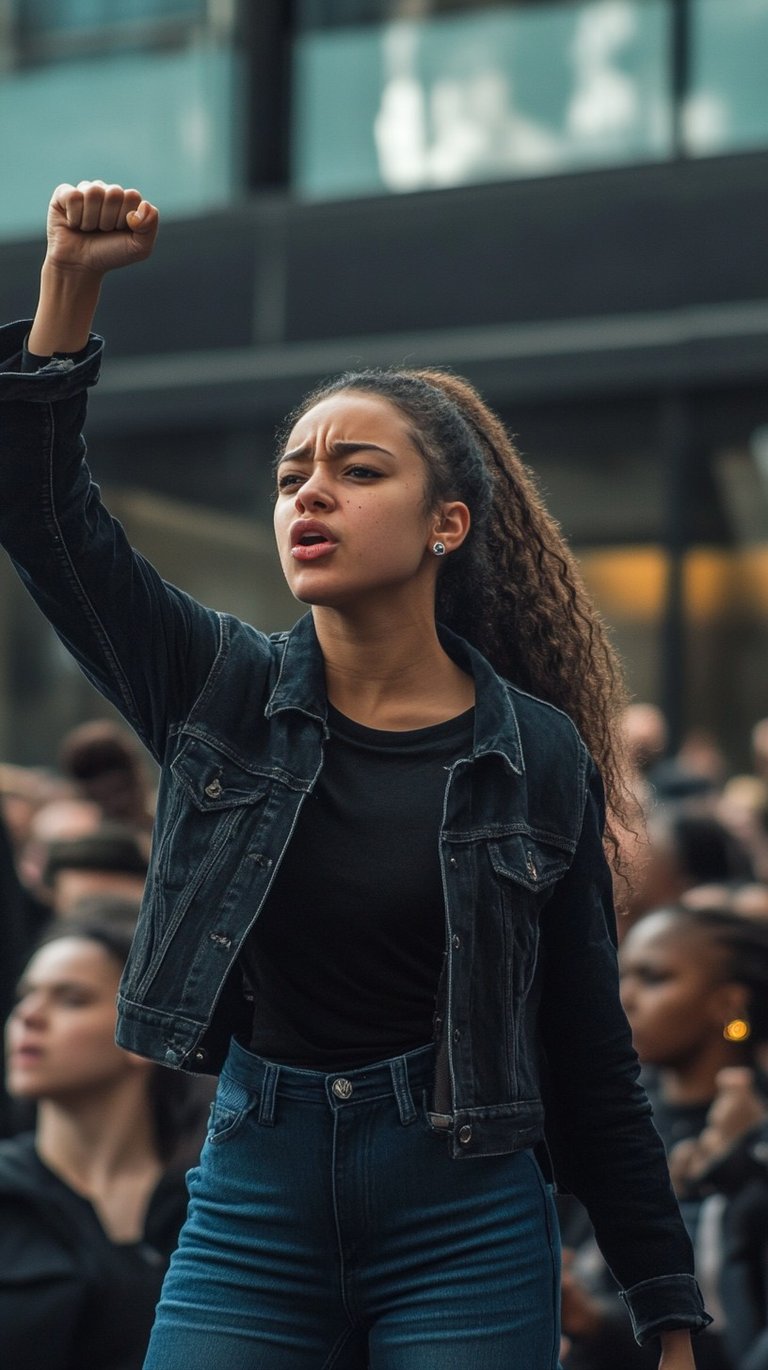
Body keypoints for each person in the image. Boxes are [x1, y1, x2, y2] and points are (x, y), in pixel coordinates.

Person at [0, 180, 710, 1369]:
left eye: (356, 469)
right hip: (252, 1199)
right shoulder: (215, 688)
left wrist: (667, 1306)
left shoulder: (535, 752)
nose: (309, 492)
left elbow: (589, 1048)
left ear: (447, 524)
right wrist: (68, 280)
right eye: (290, 476)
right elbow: (41, 515)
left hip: (465, 1214)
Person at [559, 905, 768, 1370]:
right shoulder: (610, 1119)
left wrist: (746, 1158)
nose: (624, 996)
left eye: (653, 978)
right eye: (622, 973)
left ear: (728, 1004)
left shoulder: (755, 1137)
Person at [0, 918, 198, 1370]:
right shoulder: (8, 1195)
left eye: (72, 999)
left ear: (138, 1029)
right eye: (24, 996)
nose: (28, 1016)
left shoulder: (206, 1203)